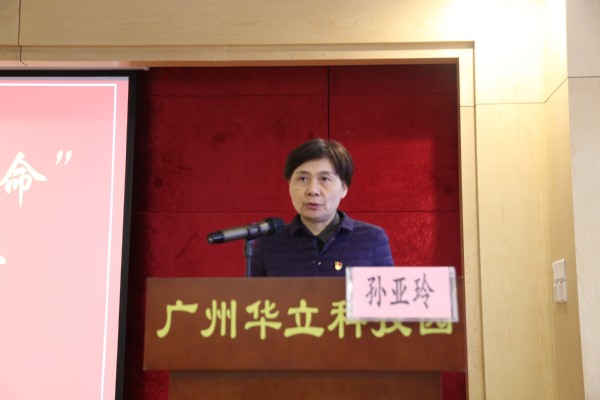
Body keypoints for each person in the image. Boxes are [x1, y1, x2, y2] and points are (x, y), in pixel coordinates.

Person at [250, 138, 394, 276]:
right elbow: (253, 293)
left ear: (344, 188)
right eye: (302, 179)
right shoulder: (267, 243)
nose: (313, 190)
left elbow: (385, 292)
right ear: (289, 185)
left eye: (324, 179)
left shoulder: (372, 239)